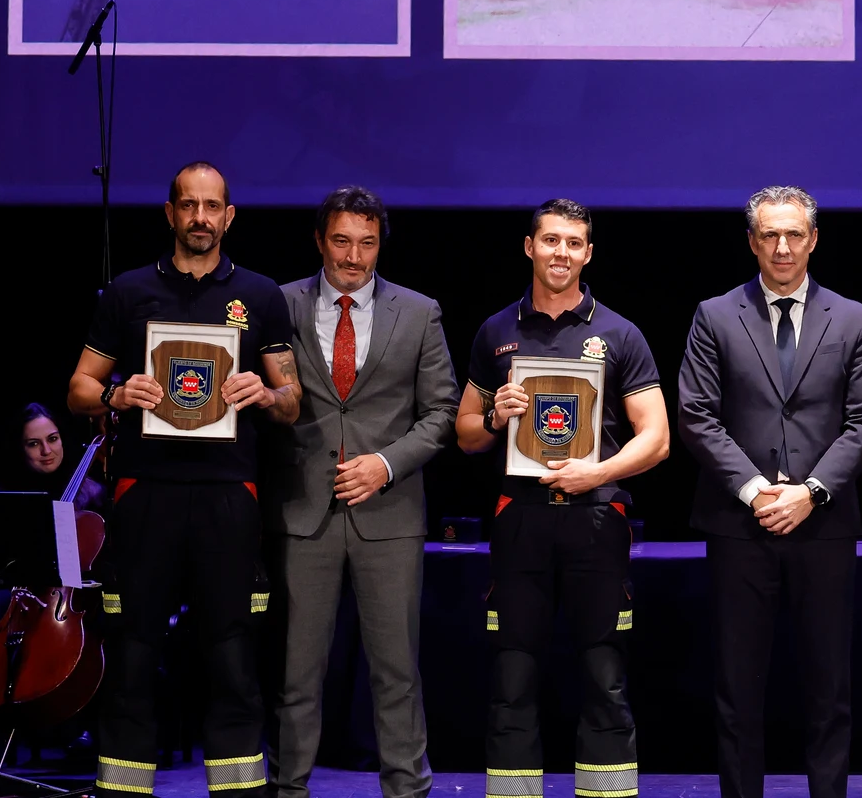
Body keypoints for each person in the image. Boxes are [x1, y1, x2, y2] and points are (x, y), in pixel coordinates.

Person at [66, 161, 299, 798]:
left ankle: (239, 792)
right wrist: (116, 394)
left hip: (230, 496)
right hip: (146, 494)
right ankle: (123, 791)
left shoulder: (261, 295)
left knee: (231, 657)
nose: (200, 218)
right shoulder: (128, 291)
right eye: (188, 205)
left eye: (212, 206)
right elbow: (79, 388)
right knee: (134, 654)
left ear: (229, 216)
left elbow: (294, 400)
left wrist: (263, 392)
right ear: (170, 213)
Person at [455, 199, 668, 798]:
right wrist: (494, 417)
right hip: (519, 518)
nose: (561, 253)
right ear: (530, 247)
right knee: (513, 672)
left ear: (588, 253)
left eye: (574, 243)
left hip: (596, 518)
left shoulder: (619, 333)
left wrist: (595, 473)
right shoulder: (496, 332)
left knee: (604, 674)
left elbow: (657, 439)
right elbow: (465, 433)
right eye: (551, 241)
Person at [677, 185, 862, 798]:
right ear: (752, 241)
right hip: (741, 526)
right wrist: (755, 491)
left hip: (824, 526)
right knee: (738, 688)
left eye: (794, 234)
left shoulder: (854, 318)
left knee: (829, 688)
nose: (782, 246)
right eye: (769, 234)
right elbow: (696, 415)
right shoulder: (715, 315)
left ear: (813, 239)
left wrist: (811, 491)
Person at [274, 186, 460, 798]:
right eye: (341, 241)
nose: (354, 257)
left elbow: (441, 412)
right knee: (298, 671)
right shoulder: (279, 305)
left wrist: (385, 463)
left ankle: (408, 789)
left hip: (390, 513)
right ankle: (290, 787)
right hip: (306, 512)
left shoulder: (420, 310)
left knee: (396, 671)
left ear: (382, 243)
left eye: (367, 242)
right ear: (320, 241)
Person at [4, 403, 107, 511]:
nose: (46, 451)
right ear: (19, 447)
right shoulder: (5, 498)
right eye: (34, 444)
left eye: (52, 439)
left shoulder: (93, 494)